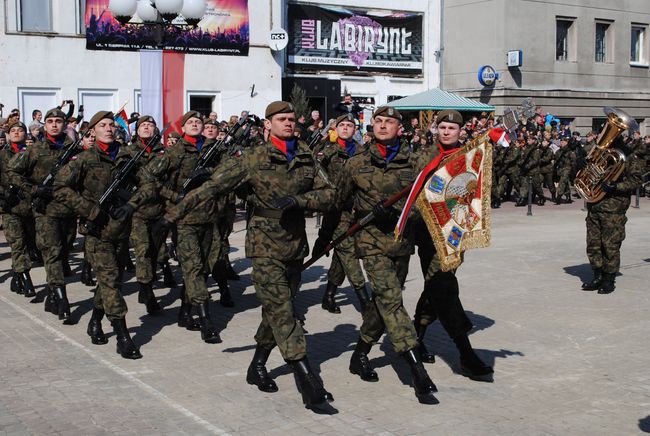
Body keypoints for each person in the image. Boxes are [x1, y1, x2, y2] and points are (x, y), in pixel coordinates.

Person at [159, 101, 335, 409]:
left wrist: (299, 200)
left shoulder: (306, 154)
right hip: (264, 246)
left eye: (292, 119)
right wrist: (172, 216)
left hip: (294, 245)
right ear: (268, 124)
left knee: (276, 310)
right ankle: (307, 379)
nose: (289, 123)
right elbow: (212, 187)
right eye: (282, 119)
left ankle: (257, 365)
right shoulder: (253, 158)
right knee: (283, 311)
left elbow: (330, 194)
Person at [320, 106, 437, 403]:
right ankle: (417, 372)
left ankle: (359, 353)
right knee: (392, 301)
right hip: (370, 242)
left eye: (390, 122)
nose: (383, 126)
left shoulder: (415, 162)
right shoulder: (356, 163)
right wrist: (324, 237)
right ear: (371, 126)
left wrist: (402, 215)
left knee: (381, 302)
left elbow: (428, 203)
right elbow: (339, 202)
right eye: (378, 122)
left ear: (400, 127)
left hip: (400, 242)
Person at [53, 111, 146, 359]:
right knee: (112, 282)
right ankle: (124, 336)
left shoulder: (127, 156)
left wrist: (131, 205)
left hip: (121, 231)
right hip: (97, 233)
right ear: (92, 130)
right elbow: (60, 188)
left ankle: (95, 320)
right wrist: (90, 210)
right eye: (102, 125)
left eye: (111, 125)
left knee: (109, 282)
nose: (108, 128)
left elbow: (149, 185)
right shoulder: (84, 159)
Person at [411, 110, 494, 382]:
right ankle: (465, 353)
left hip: (456, 234)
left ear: (460, 132)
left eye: (452, 128)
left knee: (436, 286)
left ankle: (416, 335)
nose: (446, 132)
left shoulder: (469, 156)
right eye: (442, 127)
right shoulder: (424, 156)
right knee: (443, 286)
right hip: (428, 234)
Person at [142, 111, 221, 344]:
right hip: (184, 220)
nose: (196, 125)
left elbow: (228, 173)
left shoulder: (212, 150)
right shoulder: (174, 152)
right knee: (193, 267)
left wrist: (208, 172)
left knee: (205, 267)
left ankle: (185, 312)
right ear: (183, 128)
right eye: (191, 122)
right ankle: (206, 320)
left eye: (199, 122)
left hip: (209, 216)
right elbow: (148, 175)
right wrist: (172, 195)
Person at [8, 109, 78, 321]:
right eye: (50, 121)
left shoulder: (75, 149)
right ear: (44, 125)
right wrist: (34, 190)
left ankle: (51, 293)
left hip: (69, 209)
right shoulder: (35, 150)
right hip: (45, 210)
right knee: (52, 252)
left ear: (65, 124)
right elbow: (12, 172)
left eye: (58, 121)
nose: (54, 125)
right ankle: (60, 296)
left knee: (64, 249)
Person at [314, 114, 369, 314]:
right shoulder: (326, 151)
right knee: (348, 252)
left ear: (355, 130)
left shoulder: (363, 151)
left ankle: (329, 295)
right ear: (335, 129)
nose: (346, 128)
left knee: (341, 253)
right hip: (336, 211)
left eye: (350, 125)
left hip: (358, 210)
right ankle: (365, 302)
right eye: (342, 125)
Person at [581, 134, 645, 294]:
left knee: (610, 244)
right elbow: (588, 174)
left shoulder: (629, 157)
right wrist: (582, 165)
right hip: (594, 205)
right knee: (593, 243)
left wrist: (617, 186)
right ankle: (597, 276)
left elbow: (637, 180)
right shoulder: (598, 154)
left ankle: (609, 279)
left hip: (614, 208)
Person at [0, 121, 37, 297]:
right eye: (12, 130)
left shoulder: (33, 153)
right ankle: (27, 279)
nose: (16, 133)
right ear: (8, 134)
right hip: (9, 206)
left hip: (29, 207)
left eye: (20, 130)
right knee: (17, 243)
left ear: (25, 134)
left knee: (30, 243)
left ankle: (17, 273)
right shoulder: (2, 155)